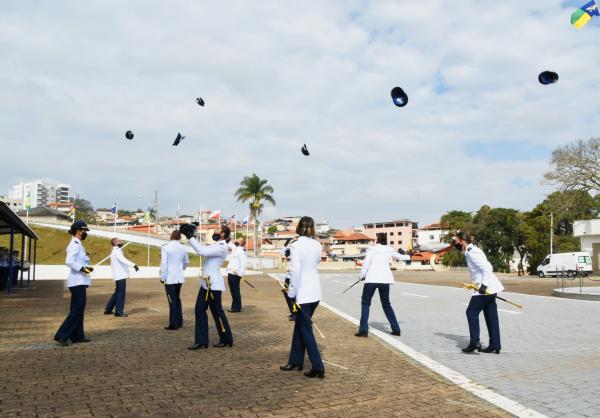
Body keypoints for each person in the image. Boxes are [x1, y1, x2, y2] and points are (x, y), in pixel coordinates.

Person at [280, 216, 325, 379]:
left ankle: (318, 366)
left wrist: (291, 293)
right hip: (315, 291)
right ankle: (295, 361)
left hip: (303, 292)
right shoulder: (317, 244)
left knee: (305, 329)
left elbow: (295, 272)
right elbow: (316, 263)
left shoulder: (296, 246)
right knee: (300, 326)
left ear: (299, 227)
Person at [180, 223, 233, 350]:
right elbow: (203, 249)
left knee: (217, 313)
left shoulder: (221, 246)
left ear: (223, 234)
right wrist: (192, 235)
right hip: (206, 284)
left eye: (218, 230)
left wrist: (190, 237)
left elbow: (202, 251)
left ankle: (226, 339)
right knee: (199, 310)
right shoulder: (216, 245)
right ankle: (201, 341)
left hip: (213, 285)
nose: (215, 231)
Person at [453, 231, 504, 354]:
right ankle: (495, 345)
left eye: (456, 241)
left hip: (485, 289)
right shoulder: (471, 250)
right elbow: (485, 266)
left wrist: (483, 285)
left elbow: (487, 268)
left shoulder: (472, 252)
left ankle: (474, 342)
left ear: (462, 241)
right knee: (491, 316)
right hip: (490, 288)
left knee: (471, 313)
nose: (455, 244)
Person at [355, 233, 410, 338]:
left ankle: (363, 330)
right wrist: (409, 255)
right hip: (385, 280)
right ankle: (396, 329)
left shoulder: (372, 249)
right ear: (386, 240)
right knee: (386, 304)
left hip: (371, 279)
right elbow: (400, 257)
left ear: (377, 240)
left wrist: (362, 276)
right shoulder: (390, 249)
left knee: (365, 303)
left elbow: (366, 263)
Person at [54, 221, 94, 346]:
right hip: (77, 281)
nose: (85, 233)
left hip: (80, 281)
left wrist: (86, 263)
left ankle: (77, 336)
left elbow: (79, 260)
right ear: (78, 230)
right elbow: (69, 261)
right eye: (84, 230)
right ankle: (62, 335)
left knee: (79, 309)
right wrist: (82, 269)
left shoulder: (79, 244)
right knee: (77, 309)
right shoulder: (75, 244)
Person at [160, 230, 189, 330]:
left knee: (172, 300)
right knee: (177, 299)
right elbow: (186, 262)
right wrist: (181, 269)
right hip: (179, 278)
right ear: (179, 237)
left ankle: (173, 324)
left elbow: (164, 264)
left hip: (170, 278)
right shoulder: (182, 247)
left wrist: (162, 277)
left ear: (171, 236)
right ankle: (179, 321)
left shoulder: (165, 247)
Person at [104, 238, 139, 317]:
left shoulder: (115, 251)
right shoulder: (117, 251)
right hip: (120, 275)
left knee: (117, 292)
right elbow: (122, 259)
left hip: (118, 274)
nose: (121, 242)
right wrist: (134, 265)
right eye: (119, 241)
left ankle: (108, 309)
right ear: (115, 243)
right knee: (121, 293)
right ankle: (118, 311)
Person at [227, 237, 248, 313]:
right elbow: (229, 244)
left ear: (241, 243)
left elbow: (243, 263)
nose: (236, 241)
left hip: (235, 274)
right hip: (231, 273)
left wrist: (240, 274)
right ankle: (235, 306)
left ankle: (236, 308)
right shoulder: (235, 248)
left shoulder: (241, 251)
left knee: (235, 291)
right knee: (233, 291)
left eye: (238, 240)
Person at [280, 238, 296, 321]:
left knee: (293, 296)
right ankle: (292, 311)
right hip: (288, 278)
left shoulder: (298, 253)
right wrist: (287, 241)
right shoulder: (289, 251)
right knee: (286, 294)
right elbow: (282, 252)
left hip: (294, 277)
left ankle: (295, 313)